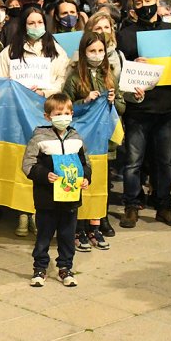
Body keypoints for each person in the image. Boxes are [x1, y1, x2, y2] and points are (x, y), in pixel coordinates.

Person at [116, 0, 171, 229]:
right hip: (137, 109)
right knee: (133, 161)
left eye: (148, 0)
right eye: (139, 3)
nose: (144, 6)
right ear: (133, 7)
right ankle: (132, 206)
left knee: (164, 162)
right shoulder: (125, 34)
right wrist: (134, 65)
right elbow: (118, 70)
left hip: (165, 108)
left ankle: (164, 206)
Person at [62, 32, 124, 251]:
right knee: (81, 182)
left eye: (100, 51)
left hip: (102, 141)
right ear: (83, 52)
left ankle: (94, 227)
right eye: (92, 51)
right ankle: (78, 228)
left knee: (98, 183)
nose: (96, 55)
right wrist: (84, 101)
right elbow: (65, 108)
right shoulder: (75, 78)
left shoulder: (110, 75)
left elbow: (122, 107)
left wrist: (112, 101)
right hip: (81, 140)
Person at [22, 94, 89, 287]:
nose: (64, 116)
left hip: (71, 198)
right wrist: (44, 175)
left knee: (68, 236)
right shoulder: (39, 137)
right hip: (47, 200)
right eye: (58, 113)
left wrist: (86, 178)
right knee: (44, 235)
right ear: (48, 116)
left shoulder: (76, 137)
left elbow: (85, 163)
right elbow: (28, 164)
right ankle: (40, 268)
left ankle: (65, 268)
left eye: (67, 113)